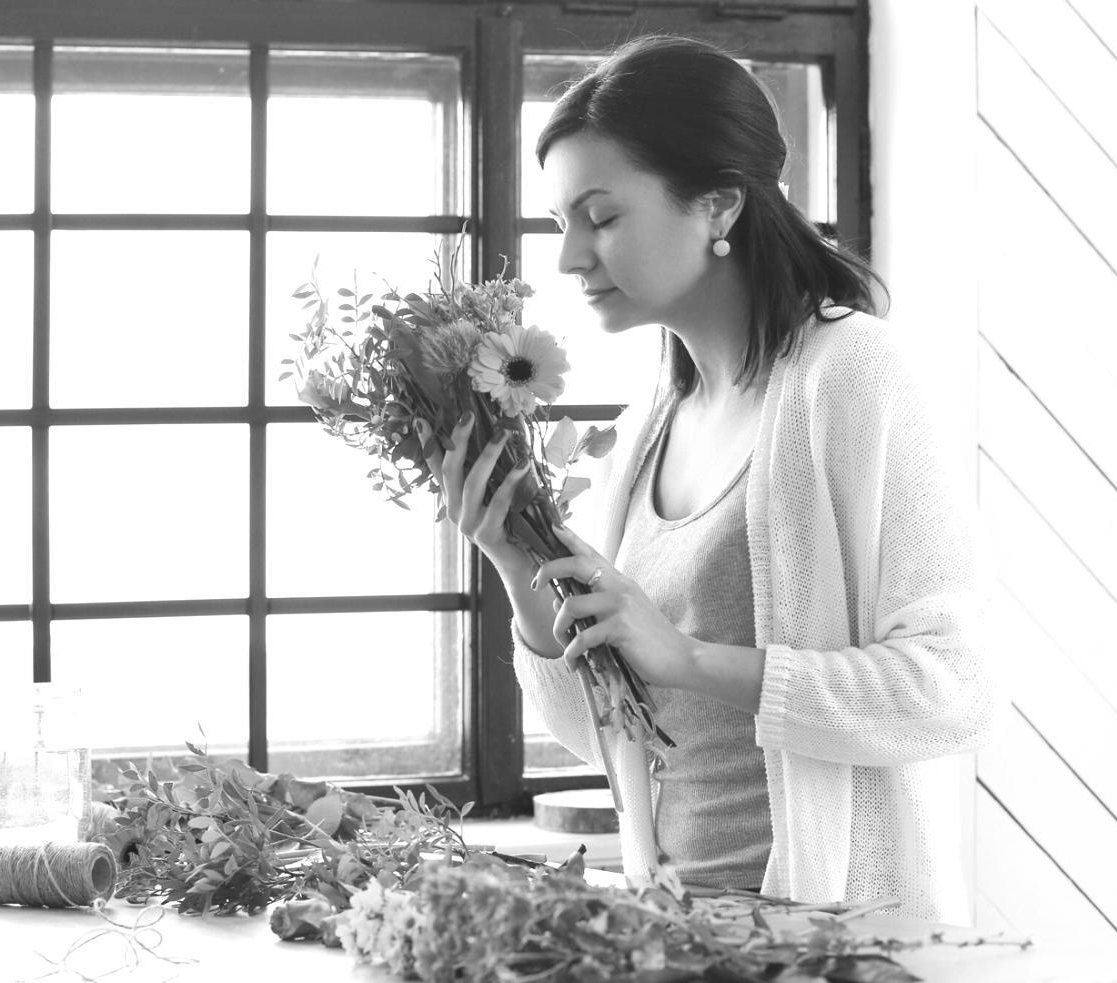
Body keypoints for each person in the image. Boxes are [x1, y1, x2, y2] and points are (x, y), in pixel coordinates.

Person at [426, 35, 999, 924]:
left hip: (833, 932)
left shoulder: (850, 374)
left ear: (719, 204)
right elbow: (614, 726)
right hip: (673, 923)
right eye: (558, 225)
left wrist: (691, 656)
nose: (571, 255)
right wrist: (513, 563)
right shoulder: (659, 408)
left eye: (602, 216)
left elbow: (951, 689)